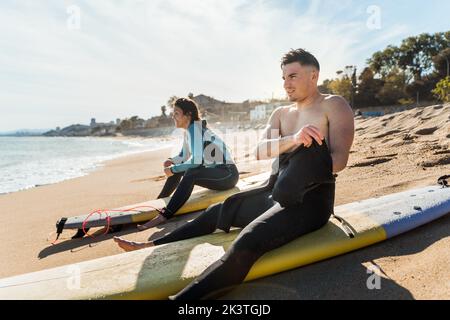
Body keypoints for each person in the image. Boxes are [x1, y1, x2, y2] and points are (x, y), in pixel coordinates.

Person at [114, 48, 355, 299]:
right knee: (218, 211)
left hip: (310, 200)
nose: (286, 84)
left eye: (293, 76)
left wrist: (309, 147)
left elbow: (339, 161)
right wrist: (293, 139)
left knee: (247, 241)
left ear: (313, 75)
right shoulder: (281, 113)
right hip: (274, 191)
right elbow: (261, 151)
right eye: (283, 78)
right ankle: (150, 244)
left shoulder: (333, 105)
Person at [137, 97, 239, 230]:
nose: (173, 117)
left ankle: (164, 215)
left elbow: (196, 161)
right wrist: (172, 161)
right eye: (173, 114)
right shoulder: (190, 131)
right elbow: (184, 155)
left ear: (188, 115)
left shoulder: (195, 129)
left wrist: (173, 169)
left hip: (227, 174)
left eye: (177, 114)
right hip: (218, 172)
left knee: (190, 173)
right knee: (182, 169)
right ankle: (159, 201)